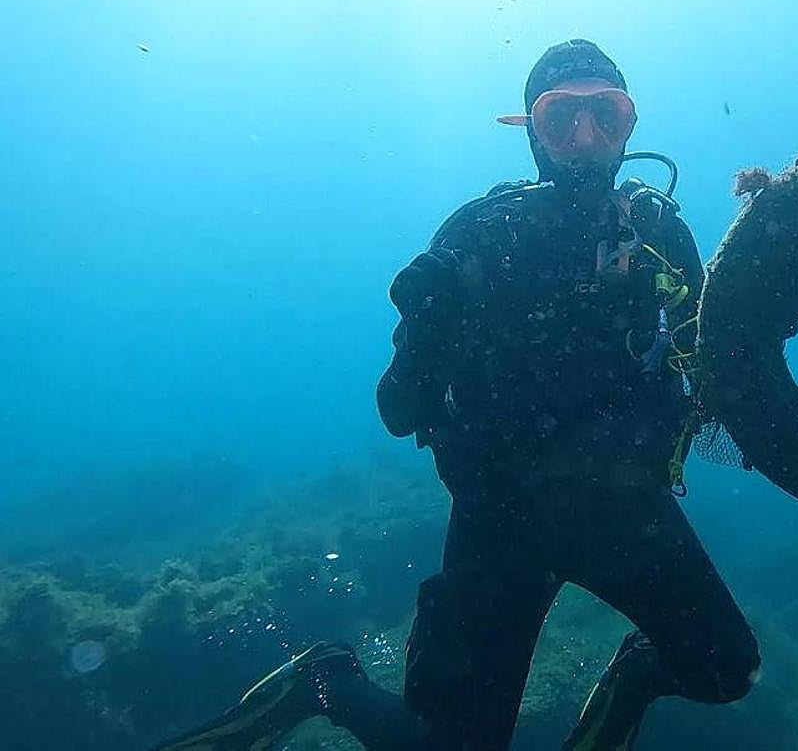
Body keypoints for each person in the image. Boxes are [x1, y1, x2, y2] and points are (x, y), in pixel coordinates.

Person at [154, 39, 760, 751]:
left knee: (726, 671)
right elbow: (398, 411)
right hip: (502, 520)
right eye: (562, 117)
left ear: (631, 125)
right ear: (529, 129)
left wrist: (781, 292)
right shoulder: (481, 235)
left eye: (606, 115)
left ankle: (632, 676)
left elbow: (719, 369)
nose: (585, 139)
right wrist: (426, 323)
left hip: (629, 507)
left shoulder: (659, 233)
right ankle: (326, 681)